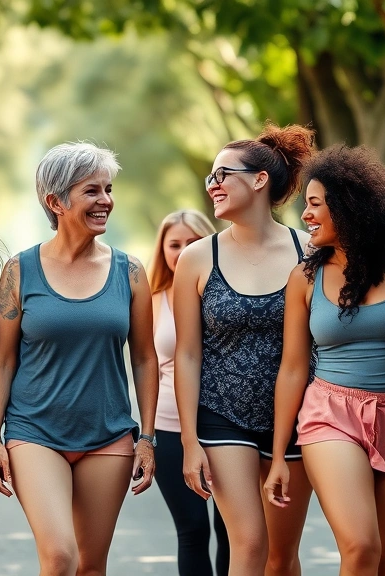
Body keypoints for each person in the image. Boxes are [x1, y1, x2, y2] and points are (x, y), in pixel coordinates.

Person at [264, 145, 385, 576]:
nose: (306, 215)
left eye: (314, 204)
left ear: (347, 208)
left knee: (384, 560)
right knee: (362, 546)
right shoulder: (305, 277)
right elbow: (293, 368)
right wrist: (278, 456)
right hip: (330, 414)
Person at [0, 142, 159, 576]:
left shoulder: (130, 271)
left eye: (108, 189)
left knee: (91, 565)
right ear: (55, 202)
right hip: (35, 431)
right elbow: (2, 360)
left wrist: (148, 439)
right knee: (61, 557)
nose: (106, 201)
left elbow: (143, 358)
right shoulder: (19, 270)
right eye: (92, 191)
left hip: (109, 435)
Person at [173, 123, 315, 576]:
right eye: (209, 177)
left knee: (281, 555)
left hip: (294, 417)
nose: (211, 185)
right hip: (221, 413)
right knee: (250, 544)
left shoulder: (310, 252)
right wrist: (190, 441)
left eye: (221, 174)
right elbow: (188, 354)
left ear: (259, 180)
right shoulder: (197, 257)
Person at [148, 209, 229, 576]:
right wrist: (145, 437)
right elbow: (143, 368)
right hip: (169, 428)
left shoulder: (228, 295)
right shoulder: (150, 299)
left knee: (232, 532)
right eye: (174, 244)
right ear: (162, 250)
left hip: (226, 424)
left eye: (193, 242)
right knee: (192, 530)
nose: (183, 252)